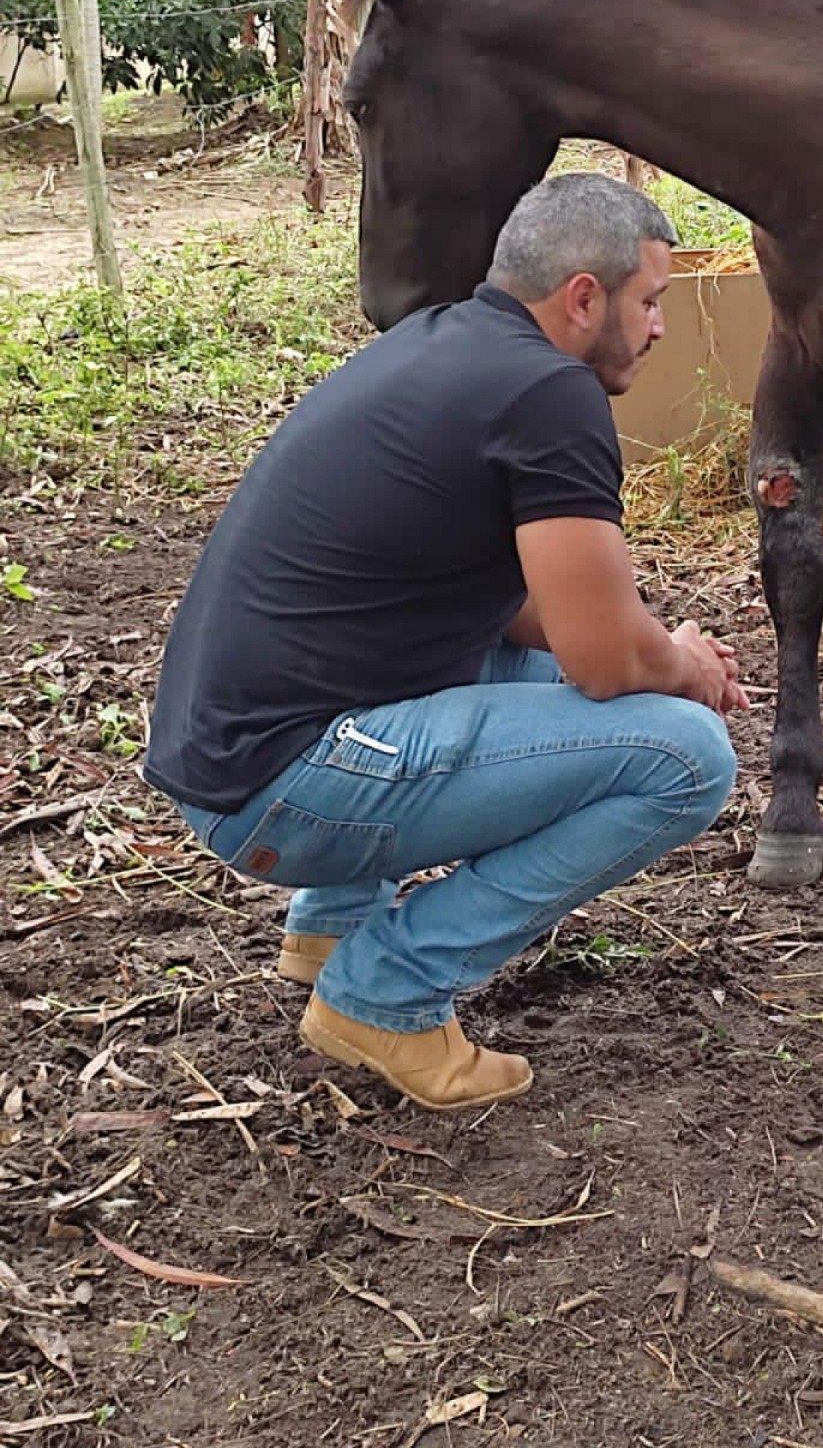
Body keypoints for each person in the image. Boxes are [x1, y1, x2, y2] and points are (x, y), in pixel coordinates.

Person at [144, 173, 745, 1112]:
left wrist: (654, 650)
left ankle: (333, 928)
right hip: (282, 790)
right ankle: (388, 993)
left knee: (549, 673)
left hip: (234, 757)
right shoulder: (551, 393)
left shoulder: (438, 345)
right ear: (583, 297)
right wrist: (682, 666)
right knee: (687, 756)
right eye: (651, 301)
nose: (661, 327)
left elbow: (527, 619)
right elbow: (607, 664)